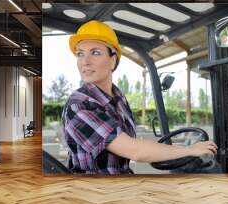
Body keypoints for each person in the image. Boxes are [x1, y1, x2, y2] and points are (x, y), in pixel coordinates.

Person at [62, 20, 218, 174]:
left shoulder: (119, 99)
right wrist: (189, 150)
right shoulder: (79, 105)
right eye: (80, 54)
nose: (85, 62)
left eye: (95, 52)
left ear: (113, 60)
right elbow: (133, 150)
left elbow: (133, 148)